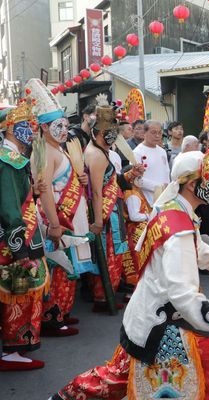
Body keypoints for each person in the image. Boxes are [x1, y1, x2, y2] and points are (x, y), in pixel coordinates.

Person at [51, 150, 209, 400]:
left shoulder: (171, 207)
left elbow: (196, 247)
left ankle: (65, 396)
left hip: (145, 314)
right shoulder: (178, 227)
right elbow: (182, 293)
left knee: (116, 377)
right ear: (194, 184)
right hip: (164, 325)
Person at [27, 78, 91, 337]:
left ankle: (63, 311)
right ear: (44, 127)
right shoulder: (43, 152)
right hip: (57, 219)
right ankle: (53, 316)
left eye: (65, 125)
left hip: (70, 217)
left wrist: (82, 179)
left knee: (69, 267)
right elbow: (44, 191)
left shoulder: (59, 150)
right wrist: (54, 223)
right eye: (58, 126)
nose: (64, 130)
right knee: (60, 267)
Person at [0, 95, 49, 371]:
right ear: (9, 128)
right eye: (24, 124)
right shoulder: (8, 161)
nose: (30, 130)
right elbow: (9, 208)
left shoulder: (15, 159)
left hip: (21, 235)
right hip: (15, 240)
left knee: (25, 293)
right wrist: (20, 250)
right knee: (19, 293)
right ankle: (13, 350)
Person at [85, 97, 144, 313]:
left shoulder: (103, 152)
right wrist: (99, 220)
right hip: (106, 214)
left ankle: (105, 295)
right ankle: (103, 297)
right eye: (106, 132)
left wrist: (130, 174)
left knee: (113, 255)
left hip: (112, 208)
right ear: (96, 133)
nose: (110, 136)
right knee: (108, 255)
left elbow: (115, 180)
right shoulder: (97, 155)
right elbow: (98, 192)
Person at [121, 165, 151, 292]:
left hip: (137, 229)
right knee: (136, 259)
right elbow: (134, 216)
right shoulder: (132, 194)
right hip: (135, 231)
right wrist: (148, 216)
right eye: (139, 177)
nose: (142, 180)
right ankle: (132, 287)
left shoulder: (135, 192)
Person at [132, 120, 170, 205]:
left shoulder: (162, 151)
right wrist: (158, 187)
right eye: (153, 132)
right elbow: (136, 179)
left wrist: (167, 189)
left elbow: (166, 172)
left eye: (160, 133)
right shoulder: (137, 152)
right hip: (147, 200)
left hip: (165, 198)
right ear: (144, 133)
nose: (157, 136)